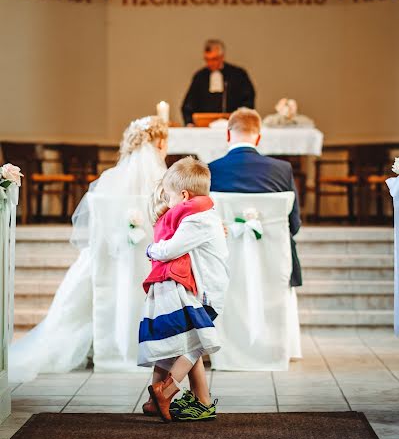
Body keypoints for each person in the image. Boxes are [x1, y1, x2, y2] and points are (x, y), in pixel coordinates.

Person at [9, 116, 168, 382]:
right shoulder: (164, 182)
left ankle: (107, 347)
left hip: (108, 259)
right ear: (159, 143)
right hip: (151, 261)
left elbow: (98, 231)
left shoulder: (109, 178)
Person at [138, 157, 229, 422]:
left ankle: (166, 391)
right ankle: (160, 400)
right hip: (199, 287)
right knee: (185, 340)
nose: (167, 201)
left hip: (207, 292)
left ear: (185, 195)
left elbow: (171, 249)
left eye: (169, 196)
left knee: (193, 344)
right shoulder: (200, 215)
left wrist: (150, 250)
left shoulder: (198, 220)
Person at [208, 107, 302, 286]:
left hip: (225, 263)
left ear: (228, 135)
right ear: (258, 137)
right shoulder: (282, 170)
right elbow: (294, 225)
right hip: (274, 263)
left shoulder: (211, 170)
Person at [181, 39, 256, 125]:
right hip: (205, 128)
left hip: (233, 126)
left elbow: (248, 101)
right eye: (207, 59)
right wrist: (189, 122)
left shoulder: (238, 75)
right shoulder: (200, 77)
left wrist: (240, 119)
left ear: (222, 57)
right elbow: (188, 105)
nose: (210, 63)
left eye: (214, 59)